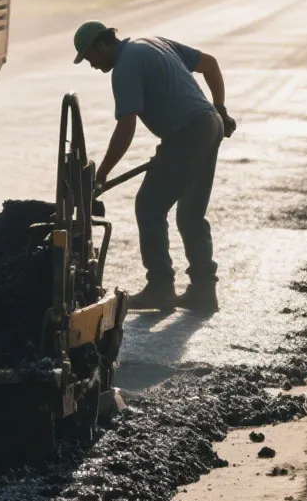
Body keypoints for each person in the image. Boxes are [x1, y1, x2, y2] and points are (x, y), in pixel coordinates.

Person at [74, 20, 237, 312]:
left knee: (149, 205)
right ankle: (203, 291)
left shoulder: (125, 67)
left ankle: (160, 288)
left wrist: (101, 175)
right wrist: (221, 110)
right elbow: (210, 65)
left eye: (90, 58)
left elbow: (126, 127)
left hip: (188, 132)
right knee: (190, 213)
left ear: (102, 45)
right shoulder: (153, 43)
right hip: (208, 125)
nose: (92, 65)